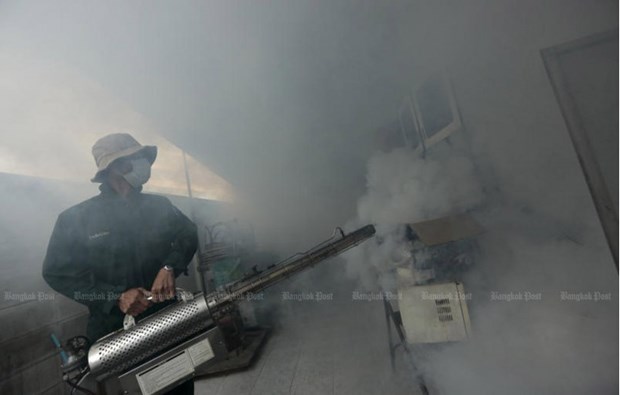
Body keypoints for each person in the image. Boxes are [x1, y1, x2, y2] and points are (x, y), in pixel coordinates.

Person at [42, 133, 197, 394]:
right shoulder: (76, 219)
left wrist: (170, 266)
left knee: (177, 388)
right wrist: (114, 296)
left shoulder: (158, 206)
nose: (143, 164)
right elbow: (56, 273)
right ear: (113, 167)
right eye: (134, 158)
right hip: (113, 334)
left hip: (167, 322)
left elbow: (188, 233)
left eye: (142, 158)